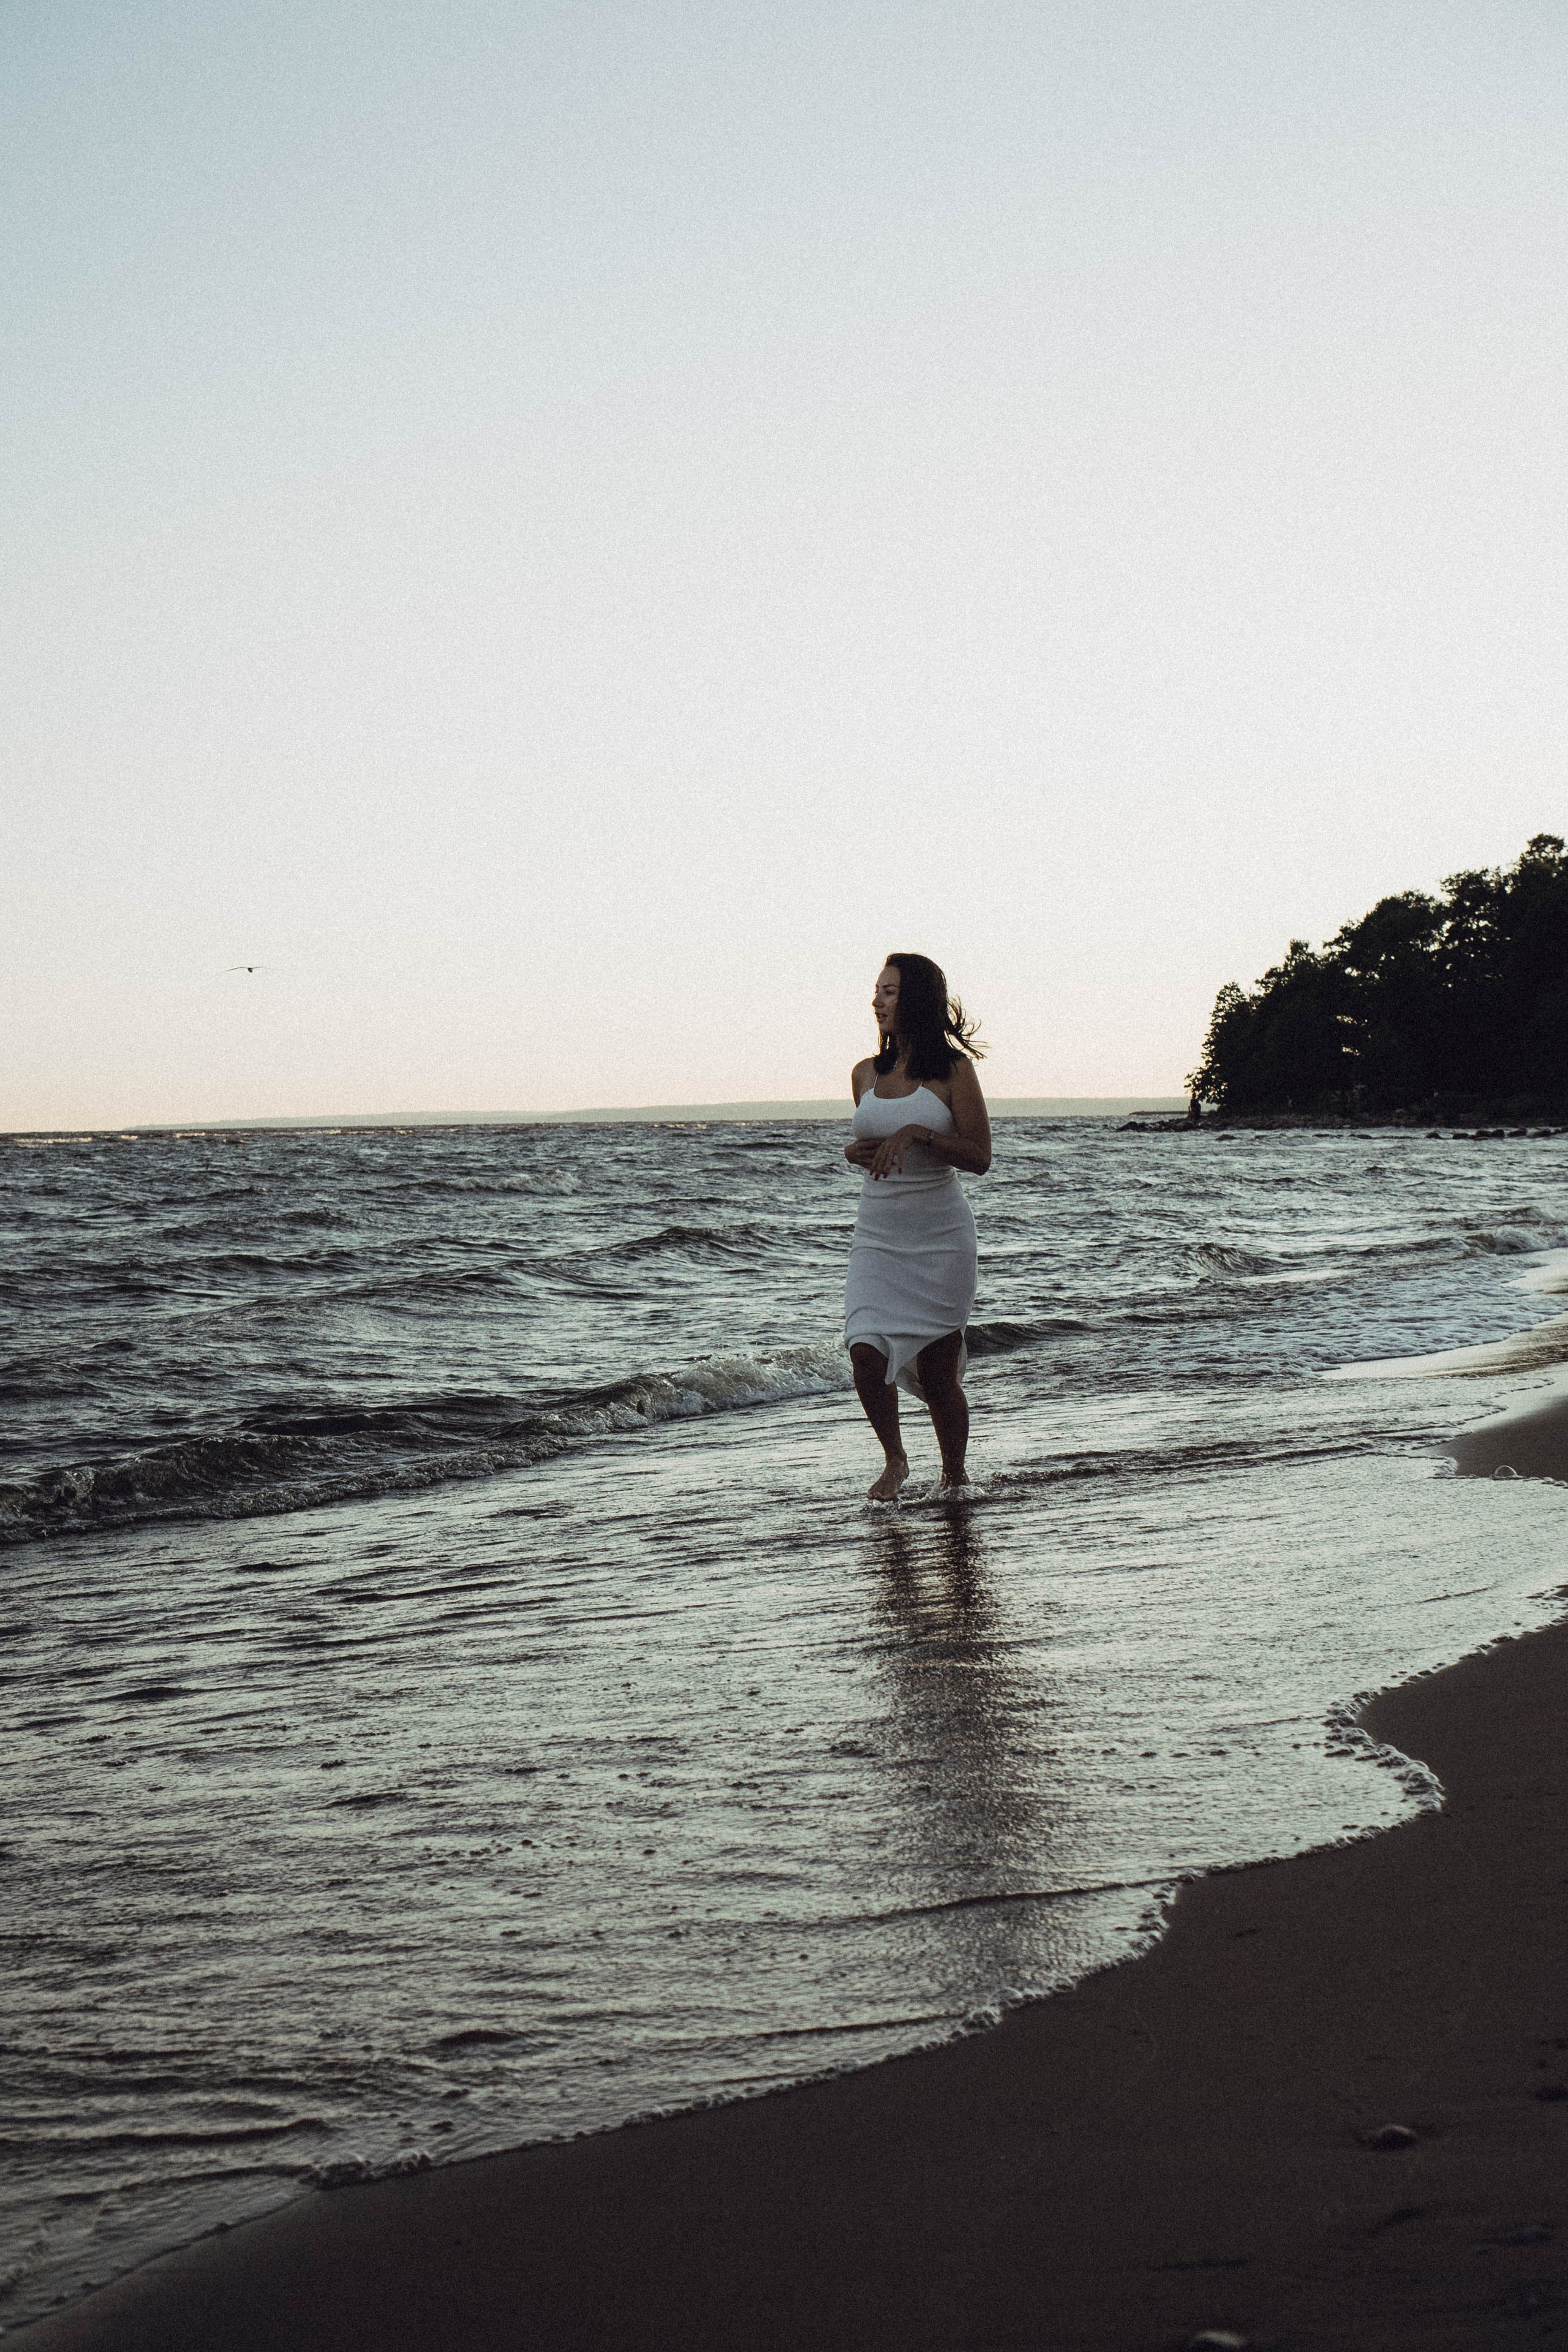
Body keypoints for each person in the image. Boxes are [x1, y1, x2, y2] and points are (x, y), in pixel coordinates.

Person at [843, 954, 992, 1499]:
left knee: (937, 1373)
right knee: (864, 1351)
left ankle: (955, 1478)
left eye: (889, 991)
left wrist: (918, 1133)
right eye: (876, 990)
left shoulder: (953, 1072)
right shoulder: (865, 1074)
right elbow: (873, 1148)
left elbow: (979, 1156)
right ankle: (896, 1459)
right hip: (878, 1237)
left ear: (917, 1000)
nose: (877, 1001)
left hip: (940, 1240)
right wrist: (857, 1152)